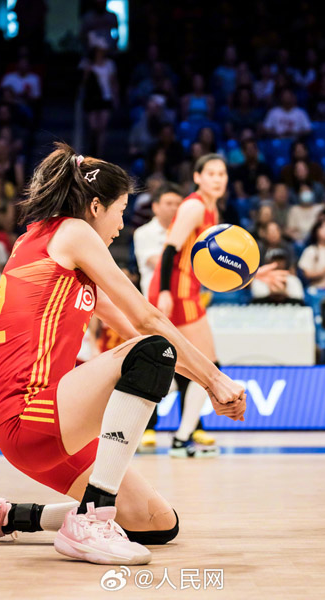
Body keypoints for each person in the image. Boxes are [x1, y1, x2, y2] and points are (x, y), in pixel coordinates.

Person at [0, 144, 246, 566]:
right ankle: (92, 520)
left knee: (157, 523)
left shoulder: (53, 249)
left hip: (53, 426)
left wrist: (210, 378)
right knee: (151, 352)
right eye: (120, 210)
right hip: (31, 415)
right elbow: (149, 322)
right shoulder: (71, 232)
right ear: (95, 206)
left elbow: (138, 325)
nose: (121, 224)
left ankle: (7, 516)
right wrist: (215, 380)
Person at [146, 155, 231, 457]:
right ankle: (182, 438)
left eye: (222, 173)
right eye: (211, 173)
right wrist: (166, 291)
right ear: (197, 177)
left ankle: (182, 437)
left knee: (197, 368)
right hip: (176, 292)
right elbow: (170, 248)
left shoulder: (212, 208)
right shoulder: (194, 206)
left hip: (189, 291)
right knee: (208, 367)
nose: (218, 178)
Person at [133, 182, 181, 296]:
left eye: (178, 203)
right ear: (155, 207)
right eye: (169, 203)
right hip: (155, 298)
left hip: (182, 296)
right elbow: (159, 263)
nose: (174, 208)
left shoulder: (187, 232)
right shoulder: (143, 233)